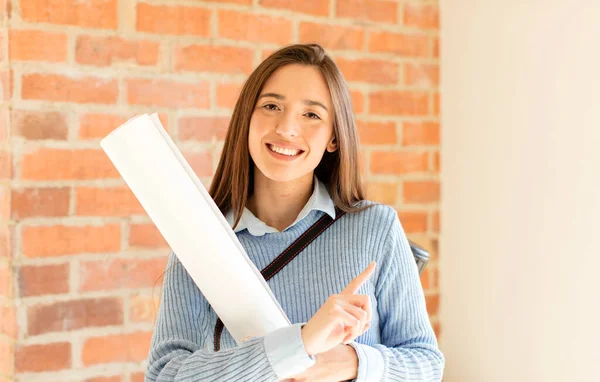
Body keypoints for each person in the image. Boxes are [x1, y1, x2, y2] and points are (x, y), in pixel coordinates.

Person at [145, 43, 444, 381]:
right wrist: (299, 345)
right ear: (247, 119)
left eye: (311, 114)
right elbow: (163, 376)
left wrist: (352, 361)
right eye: (272, 106)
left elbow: (426, 364)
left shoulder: (376, 227)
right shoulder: (200, 242)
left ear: (333, 137)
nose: (287, 128)